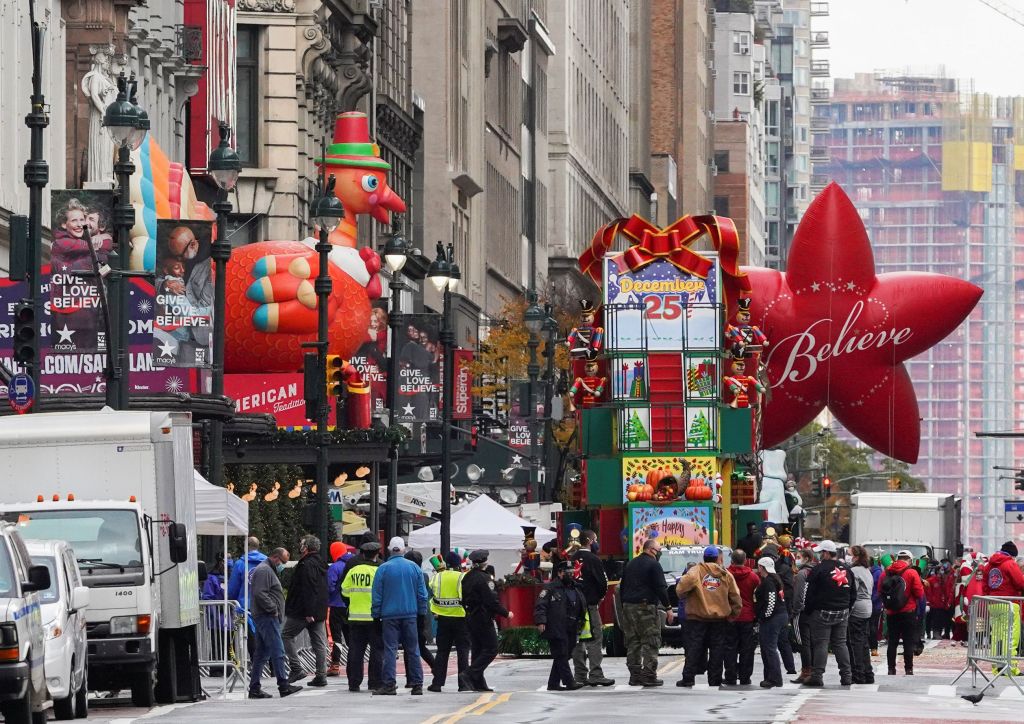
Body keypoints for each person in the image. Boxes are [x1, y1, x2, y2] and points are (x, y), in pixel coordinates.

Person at [675, 545, 741, 688]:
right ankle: (715, 679)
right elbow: (736, 597)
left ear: (704, 558)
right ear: (718, 558)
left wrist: (688, 597)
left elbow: (680, 589)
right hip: (719, 620)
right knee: (717, 650)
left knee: (694, 649)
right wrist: (732, 615)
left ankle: (688, 679)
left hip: (697, 619)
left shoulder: (696, 571)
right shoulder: (725, 574)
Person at [371, 537, 429, 695]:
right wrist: (421, 615)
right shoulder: (414, 568)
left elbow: (377, 595)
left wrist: (376, 615)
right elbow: (422, 595)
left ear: (390, 549)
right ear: (403, 549)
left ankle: (389, 684)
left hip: (389, 616)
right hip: (410, 614)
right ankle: (417, 684)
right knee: (413, 649)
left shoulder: (383, 569)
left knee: (390, 649)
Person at [248, 548, 302, 699]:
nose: (283, 565)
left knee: (261, 653)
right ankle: (283, 685)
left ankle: (254, 687)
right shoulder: (265, 570)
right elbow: (260, 593)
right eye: (283, 562)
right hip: (267, 616)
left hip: (265, 615)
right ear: (276, 557)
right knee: (278, 651)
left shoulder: (265, 569)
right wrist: (273, 609)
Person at [618, 538, 672, 687]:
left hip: (628, 607)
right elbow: (661, 588)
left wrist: (624, 604)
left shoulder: (631, 563)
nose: (659, 553)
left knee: (633, 642)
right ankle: (649, 675)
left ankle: (635, 676)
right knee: (651, 641)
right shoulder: (654, 565)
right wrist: (668, 608)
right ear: (650, 549)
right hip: (645, 607)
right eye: (658, 550)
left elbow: (622, 587)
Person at [802, 540, 855, 687]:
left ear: (825, 553)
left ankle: (817, 676)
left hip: (822, 612)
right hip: (842, 611)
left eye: (820, 552)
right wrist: (847, 608)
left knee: (821, 643)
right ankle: (847, 676)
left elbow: (810, 594)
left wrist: (808, 611)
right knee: (840, 643)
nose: (819, 555)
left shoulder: (818, 569)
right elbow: (853, 593)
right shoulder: (847, 569)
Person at [460, 549, 513, 692]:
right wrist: (506, 613)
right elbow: (491, 601)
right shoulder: (485, 579)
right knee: (491, 648)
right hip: (483, 617)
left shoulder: (467, 577)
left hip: (470, 616)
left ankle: (478, 683)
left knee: (477, 650)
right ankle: (470, 673)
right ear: (484, 562)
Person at [282, 535, 329, 687]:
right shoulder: (321, 563)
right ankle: (321, 675)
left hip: (303, 610)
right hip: (319, 610)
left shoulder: (306, 565)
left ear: (306, 547)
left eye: (302, 544)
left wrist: (309, 612)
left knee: (286, 635)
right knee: (319, 643)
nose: (300, 546)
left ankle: (296, 668)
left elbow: (308, 588)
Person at [571, 530, 614, 687]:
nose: (597, 542)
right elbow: (603, 583)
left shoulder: (571, 558)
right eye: (596, 539)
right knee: (595, 638)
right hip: (589, 605)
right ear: (589, 541)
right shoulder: (594, 559)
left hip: (573, 606)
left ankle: (580, 674)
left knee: (577, 639)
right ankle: (596, 673)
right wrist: (599, 598)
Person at [535, 560, 586, 691]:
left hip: (572, 626)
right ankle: (569, 682)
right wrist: (541, 621)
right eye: (567, 572)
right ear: (559, 573)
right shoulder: (550, 588)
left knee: (564, 654)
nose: (570, 574)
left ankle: (553, 683)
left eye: (571, 572)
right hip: (556, 625)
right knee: (561, 654)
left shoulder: (575, 587)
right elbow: (541, 605)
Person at [341, 541, 385, 692]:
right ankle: (375, 682)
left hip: (355, 617)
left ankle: (354, 682)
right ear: (376, 554)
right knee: (377, 651)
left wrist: (352, 603)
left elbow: (344, 592)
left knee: (355, 651)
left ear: (363, 554)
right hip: (374, 618)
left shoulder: (354, 570)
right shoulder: (378, 571)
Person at [428, 552, 471, 692]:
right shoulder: (462, 576)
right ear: (459, 564)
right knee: (462, 651)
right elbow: (467, 596)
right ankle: (463, 684)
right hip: (461, 618)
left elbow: (432, 591)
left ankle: (437, 684)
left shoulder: (438, 576)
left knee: (442, 652)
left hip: (443, 619)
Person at [880, 549, 926, 676]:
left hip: (891, 612)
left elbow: (880, 590)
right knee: (908, 642)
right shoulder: (911, 572)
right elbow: (919, 593)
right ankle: (908, 669)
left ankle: (891, 669)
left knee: (892, 642)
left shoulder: (886, 573)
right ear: (909, 560)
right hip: (908, 612)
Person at [981, 541, 1024, 673]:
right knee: (1010, 635)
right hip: (1009, 603)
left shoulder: (989, 565)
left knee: (996, 636)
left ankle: (997, 666)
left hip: (993, 603)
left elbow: (985, 585)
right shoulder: (1010, 563)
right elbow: (1020, 583)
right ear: (1012, 554)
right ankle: (1009, 668)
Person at [724, 550, 760, 686]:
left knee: (729, 648)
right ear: (745, 560)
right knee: (747, 649)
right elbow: (757, 597)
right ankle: (745, 677)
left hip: (730, 615)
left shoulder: (726, 575)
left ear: (732, 560)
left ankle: (730, 676)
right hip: (748, 616)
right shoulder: (753, 577)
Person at [228, 536, 267, 657]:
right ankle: (274, 668)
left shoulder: (240, 563)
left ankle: (256, 665)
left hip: (246, 606)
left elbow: (233, 587)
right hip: (265, 605)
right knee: (268, 635)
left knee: (251, 636)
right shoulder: (267, 562)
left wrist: (231, 600)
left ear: (246, 547)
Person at [402, 550, 437, 682]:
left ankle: (411, 677)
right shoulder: (424, 576)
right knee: (419, 646)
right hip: (422, 614)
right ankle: (435, 668)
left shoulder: (412, 576)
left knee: (411, 647)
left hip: (413, 614)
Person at [755, 557, 788, 688]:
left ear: (761, 567)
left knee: (769, 648)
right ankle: (769, 677)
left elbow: (771, 601)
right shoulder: (775, 579)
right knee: (768, 648)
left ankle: (775, 678)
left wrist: (764, 616)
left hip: (772, 618)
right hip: (780, 616)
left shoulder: (768, 582)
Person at [326, 541, 355, 676]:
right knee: (351, 638)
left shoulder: (335, 567)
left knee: (336, 637)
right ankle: (354, 663)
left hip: (336, 607)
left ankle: (335, 664)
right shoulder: (352, 565)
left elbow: (329, 587)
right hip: (350, 606)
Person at [847, 545, 875, 684]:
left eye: (849, 554)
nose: (848, 557)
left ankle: (858, 674)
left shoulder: (854, 571)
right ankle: (868, 672)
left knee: (855, 642)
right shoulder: (866, 570)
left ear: (856, 557)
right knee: (863, 641)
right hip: (867, 606)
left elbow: (852, 592)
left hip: (857, 607)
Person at [790, 548, 817, 683]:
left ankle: (806, 671)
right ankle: (812, 670)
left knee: (803, 643)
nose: (797, 559)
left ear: (806, 558)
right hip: (814, 612)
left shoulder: (802, 573)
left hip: (802, 613)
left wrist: (795, 611)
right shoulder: (815, 571)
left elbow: (799, 595)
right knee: (811, 642)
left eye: (799, 556)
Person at [926, 559, 955, 640]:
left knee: (944, 620)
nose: (942, 571)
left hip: (944, 604)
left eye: (943, 569)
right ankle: (935, 633)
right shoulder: (931, 580)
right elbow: (928, 593)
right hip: (935, 604)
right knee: (935, 620)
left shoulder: (945, 579)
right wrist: (930, 602)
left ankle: (943, 633)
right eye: (940, 570)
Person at [869, 556, 884, 656]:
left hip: (875, 605)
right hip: (868, 603)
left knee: (873, 627)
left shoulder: (877, 573)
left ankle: (873, 648)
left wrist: (872, 600)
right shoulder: (869, 571)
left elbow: (879, 590)